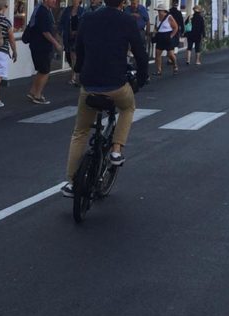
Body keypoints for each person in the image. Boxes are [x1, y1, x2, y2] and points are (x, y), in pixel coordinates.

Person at [61, 0, 148, 197]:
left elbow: (80, 48)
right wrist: (142, 79)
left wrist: (79, 69)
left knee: (81, 131)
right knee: (128, 108)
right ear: (122, 3)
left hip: (90, 83)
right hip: (115, 84)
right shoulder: (127, 21)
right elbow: (141, 55)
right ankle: (116, 149)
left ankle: (72, 183)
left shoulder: (88, 18)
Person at [27, 0, 63, 105]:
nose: (55, 2)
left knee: (42, 70)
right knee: (45, 71)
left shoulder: (45, 11)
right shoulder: (43, 12)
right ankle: (37, 95)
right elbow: (45, 32)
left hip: (39, 45)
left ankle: (33, 91)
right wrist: (56, 43)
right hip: (41, 46)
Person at [60, 0, 85, 86]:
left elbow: (84, 24)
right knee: (70, 57)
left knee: (75, 56)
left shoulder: (83, 11)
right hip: (68, 36)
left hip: (78, 37)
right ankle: (75, 75)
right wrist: (59, 32)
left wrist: (77, 32)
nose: (75, 1)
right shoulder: (67, 10)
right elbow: (62, 22)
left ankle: (74, 77)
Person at [153, 3, 179, 75]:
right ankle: (159, 70)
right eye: (158, 10)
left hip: (167, 35)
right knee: (157, 54)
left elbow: (175, 27)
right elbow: (156, 26)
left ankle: (175, 65)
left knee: (170, 54)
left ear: (164, 11)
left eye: (160, 10)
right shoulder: (156, 17)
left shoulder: (169, 17)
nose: (158, 12)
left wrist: (171, 36)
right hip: (160, 36)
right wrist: (154, 32)